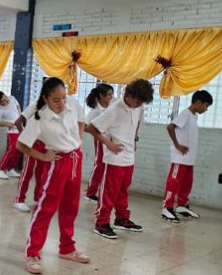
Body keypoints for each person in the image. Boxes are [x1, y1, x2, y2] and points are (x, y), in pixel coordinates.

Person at [16, 77, 90, 274]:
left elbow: (82, 122)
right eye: (56, 100)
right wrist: (43, 156)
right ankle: (32, 252)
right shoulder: (38, 118)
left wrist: (79, 142)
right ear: (46, 98)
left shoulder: (72, 106)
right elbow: (20, 145)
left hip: (75, 159)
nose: (61, 103)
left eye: (64, 98)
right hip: (56, 163)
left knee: (71, 206)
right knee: (46, 208)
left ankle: (67, 248)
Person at [87, 79, 154, 240]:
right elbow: (92, 128)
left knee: (123, 191)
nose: (139, 105)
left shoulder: (137, 107)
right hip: (114, 159)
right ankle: (101, 223)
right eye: (137, 101)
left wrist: (134, 139)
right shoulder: (114, 109)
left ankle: (121, 219)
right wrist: (108, 144)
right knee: (109, 192)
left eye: (141, 103)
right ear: (129, 95)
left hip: (129, 157)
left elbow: (135, 123)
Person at [161, 91, 213, 222]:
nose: (206, 109)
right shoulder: (185, 114)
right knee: (174, 182)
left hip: (189, 159)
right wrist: (177, 145)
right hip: (180, 158)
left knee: (187, 184)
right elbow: (170, 127)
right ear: (198, 102)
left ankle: (182, 206)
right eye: (206, 106)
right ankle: (167, 208)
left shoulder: (193, 116)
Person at [12, 97, 46, 212]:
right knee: (27, 171)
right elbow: (18, 122)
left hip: (45, 144)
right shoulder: (36, 105)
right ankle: (19, 200)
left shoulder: (55, 108)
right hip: (32, 143)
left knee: (41, 173)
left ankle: (38, 198)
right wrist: (25, 136)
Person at [84, 83, 114, 202]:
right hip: (101, 139)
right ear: (101, 96)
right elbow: (85, 127)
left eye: (112, 94)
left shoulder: (111, 105)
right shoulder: (95, 111)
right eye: (109, 95)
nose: (111, 97)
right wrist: (98, 134)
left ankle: (103, 190)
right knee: (100, 164)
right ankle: (90, 192)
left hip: (111, 139)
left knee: (109, 165)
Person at [0, 91, 22, 180]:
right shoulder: (0, 110)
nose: (4, 103)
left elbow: (18, 106)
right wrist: (8, 124)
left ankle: (11, 169)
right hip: (11, 131)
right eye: (2, 102)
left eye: (5, 100)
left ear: (5, 95)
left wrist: (20, 116)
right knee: (11, 149)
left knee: (19, 149)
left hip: (20, 128)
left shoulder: (12, 98)